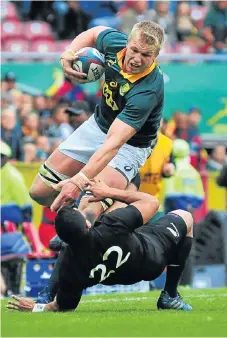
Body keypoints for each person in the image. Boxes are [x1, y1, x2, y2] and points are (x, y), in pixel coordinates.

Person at [29, 21, 165, 223]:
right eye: (134, 50)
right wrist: (68, 52)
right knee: (39, 192)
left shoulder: (147, 90)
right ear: (127, 43)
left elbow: (113, 144)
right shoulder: (116, 44)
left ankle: (118, 187)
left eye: (145, 55)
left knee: (88, 211)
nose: (136, 59)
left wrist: (79, 181)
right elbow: (94, 33)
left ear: (155, 56)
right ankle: (83, 218)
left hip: (130, 145)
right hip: (98, 124)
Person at [7, 179, 193, 313]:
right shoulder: (111, 225)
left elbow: (62, 307)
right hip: (151, 257)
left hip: (121, 275)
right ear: (87, 224)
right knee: (185, 216)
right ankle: (170, 294)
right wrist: (108, 192)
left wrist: (35, 308)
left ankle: (46, 291)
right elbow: (152, 202)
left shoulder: (70, 270)